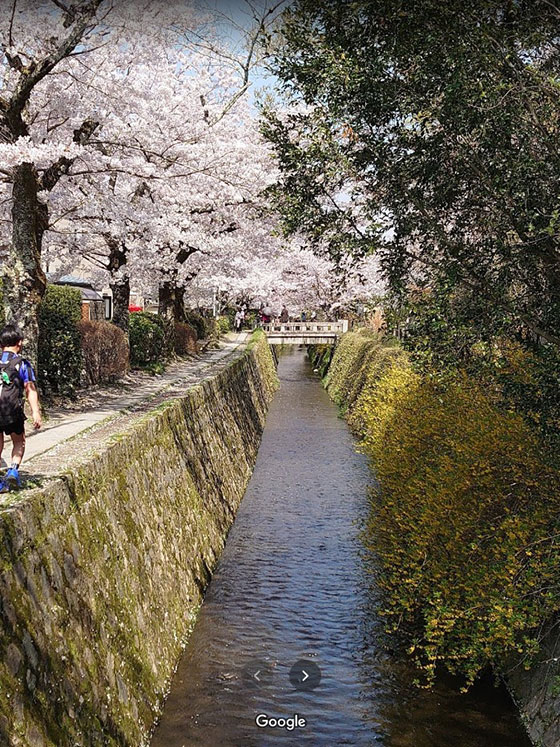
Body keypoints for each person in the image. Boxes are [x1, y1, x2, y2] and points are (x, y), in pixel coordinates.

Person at [0, 325, 42, 492]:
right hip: (12, 411)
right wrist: (36, 412)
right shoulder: (22, 363)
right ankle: (12, 470)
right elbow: (30, 388)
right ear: (19, 342)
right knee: (19, 441)